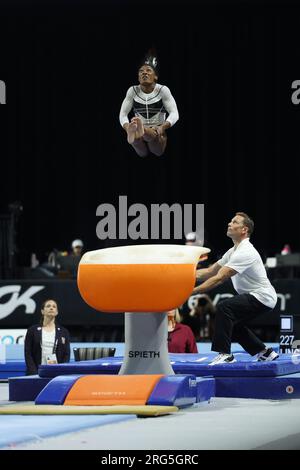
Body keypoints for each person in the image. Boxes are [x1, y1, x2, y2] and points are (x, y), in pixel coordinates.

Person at [192, 212, 279, 365]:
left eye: (234, 222)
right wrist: (185, 274)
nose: (229, 224)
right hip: (257, 296)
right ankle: (265, 353)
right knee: (234, 324)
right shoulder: (233, 251)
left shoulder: (246, 252)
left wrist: (191, 291)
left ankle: (225, 354)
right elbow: (209, 272)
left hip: (262, 296)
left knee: (224, 307)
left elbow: (219, 278)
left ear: (244, 229)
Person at [119, 50, 179, 157]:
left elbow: (174, 113)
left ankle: (143, 131)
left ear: (155, 76)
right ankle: (137, 133)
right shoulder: (132, 91)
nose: (144, 72)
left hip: (157, 130)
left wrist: (163, 127)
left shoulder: (162, 90)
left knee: (154, 146)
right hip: (139, 130)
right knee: (139, 147)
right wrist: (127, 126)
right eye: (141, 71)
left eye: (148, 70)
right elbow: (123, 114)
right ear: (138, 77)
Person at [24, 299, 70, 375]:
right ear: (42, 311)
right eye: (48, 306)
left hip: (56, 374)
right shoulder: (32, 330)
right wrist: (34, 374)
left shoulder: (63, 332)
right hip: (36, 373)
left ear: (57, 312)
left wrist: (61, 372)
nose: (51, 308)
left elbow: (66, 354)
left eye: (54, 307)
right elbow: (28, 353)